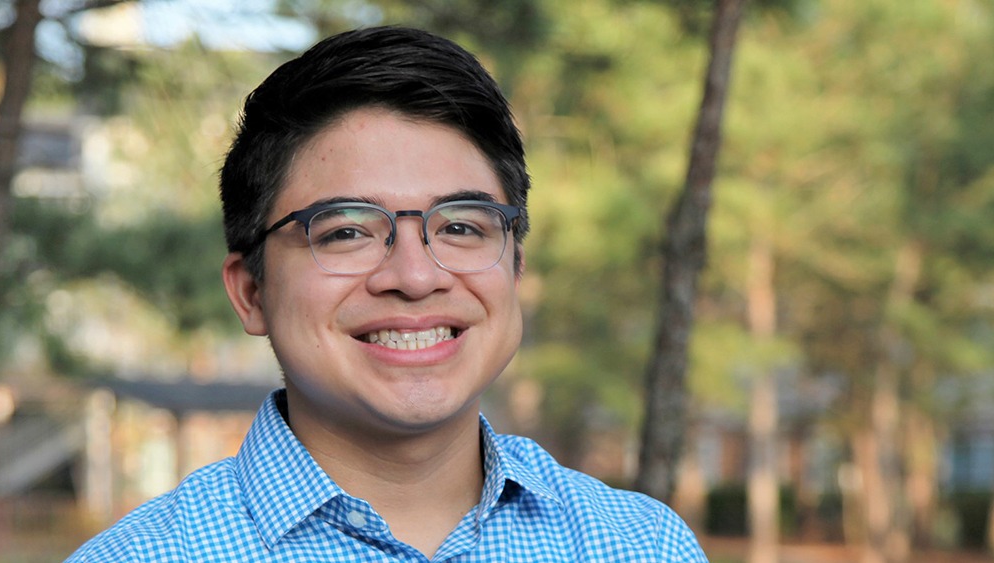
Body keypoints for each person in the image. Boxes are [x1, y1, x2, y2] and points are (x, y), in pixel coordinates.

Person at [66, 26, 708, 562]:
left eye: (460, 226)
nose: (416, 275)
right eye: (346, 231)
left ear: (515, 268)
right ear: (251, 292)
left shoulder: (639, 545)